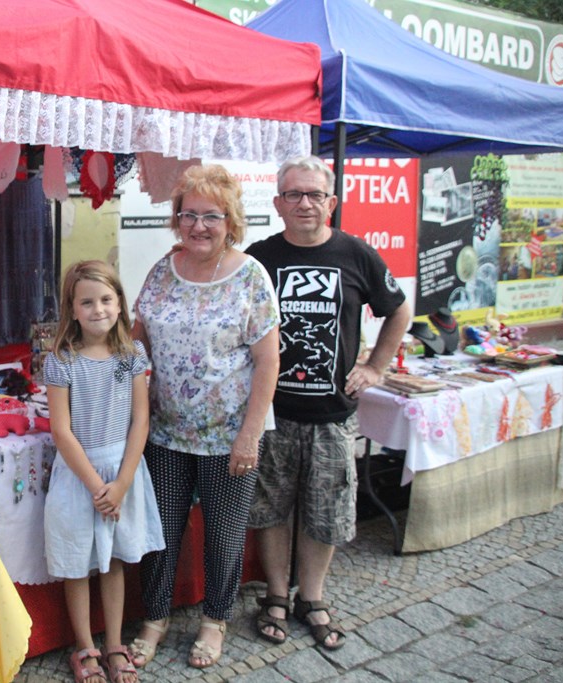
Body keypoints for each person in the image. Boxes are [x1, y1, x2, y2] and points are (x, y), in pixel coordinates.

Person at [246, 155, 411, 651]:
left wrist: (375, 367)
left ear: (332, 202)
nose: (304, 204)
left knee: (326, 511)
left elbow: (399, 311)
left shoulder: (357, 255)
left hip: (333, 417)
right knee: (272, 509)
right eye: (294, 194)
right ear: (277, 203)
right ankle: (275, 594)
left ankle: (312, 598)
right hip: (272, 414)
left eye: (315, 194)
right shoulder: (259, 258)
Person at [130, 164, 280, 669]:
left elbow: (267, 360)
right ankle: (155, 617)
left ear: (230, 219)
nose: (198, 225)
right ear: (176, 219)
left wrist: (250, 436)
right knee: (161, 532)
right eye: (188, 215)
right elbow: (137, 341)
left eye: (210, 216)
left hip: (229, 437)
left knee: (223, 533)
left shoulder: (251, 277)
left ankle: (215, 622)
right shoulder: (161, 271)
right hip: (166, 432)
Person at [43, 260, 165, 683]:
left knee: (113, 561)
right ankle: (85, 646)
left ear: (119, 304)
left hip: (121, 472)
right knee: (78, 563)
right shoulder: (62, 360)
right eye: (87, 302)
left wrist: (123, 482)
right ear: (72, 309)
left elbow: (141, 421)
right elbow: (61, 430)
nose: (98, 309)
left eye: (106, 299)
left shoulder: (131, 356)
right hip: (81, 477)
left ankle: (114, 642)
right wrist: (98, 487)